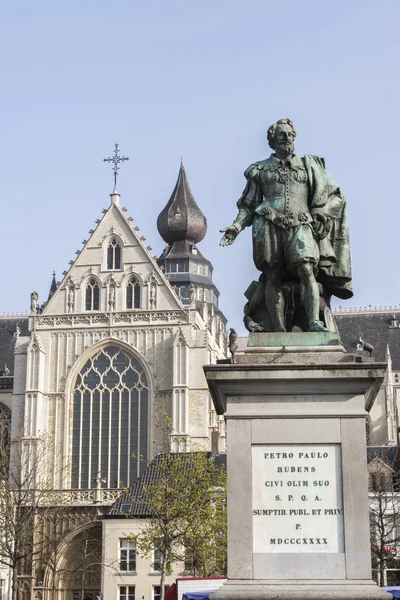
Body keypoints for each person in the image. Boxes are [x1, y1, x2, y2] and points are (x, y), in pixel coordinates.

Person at [220, 118, 352, 332]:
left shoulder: (309, 167)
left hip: (301, 224)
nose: (287, 138)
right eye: (282, 134)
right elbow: (249, 205)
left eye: (290, 134)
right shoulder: (260, 170)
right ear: (272, 140)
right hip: (268, 225)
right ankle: (278, 328)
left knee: (307, 270)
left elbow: (336, 196)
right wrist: (236, 226)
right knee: (273, 275)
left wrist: (321, 212)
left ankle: (314, 322)